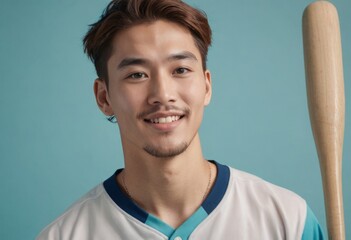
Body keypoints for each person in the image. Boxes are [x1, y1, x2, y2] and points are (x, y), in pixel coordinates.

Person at [37, 0, 324, 239]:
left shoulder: (288, 221)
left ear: (207, 86)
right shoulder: (64, 235)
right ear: (104, 97)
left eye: (181, 70)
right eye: (137, 74)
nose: (162, 94)